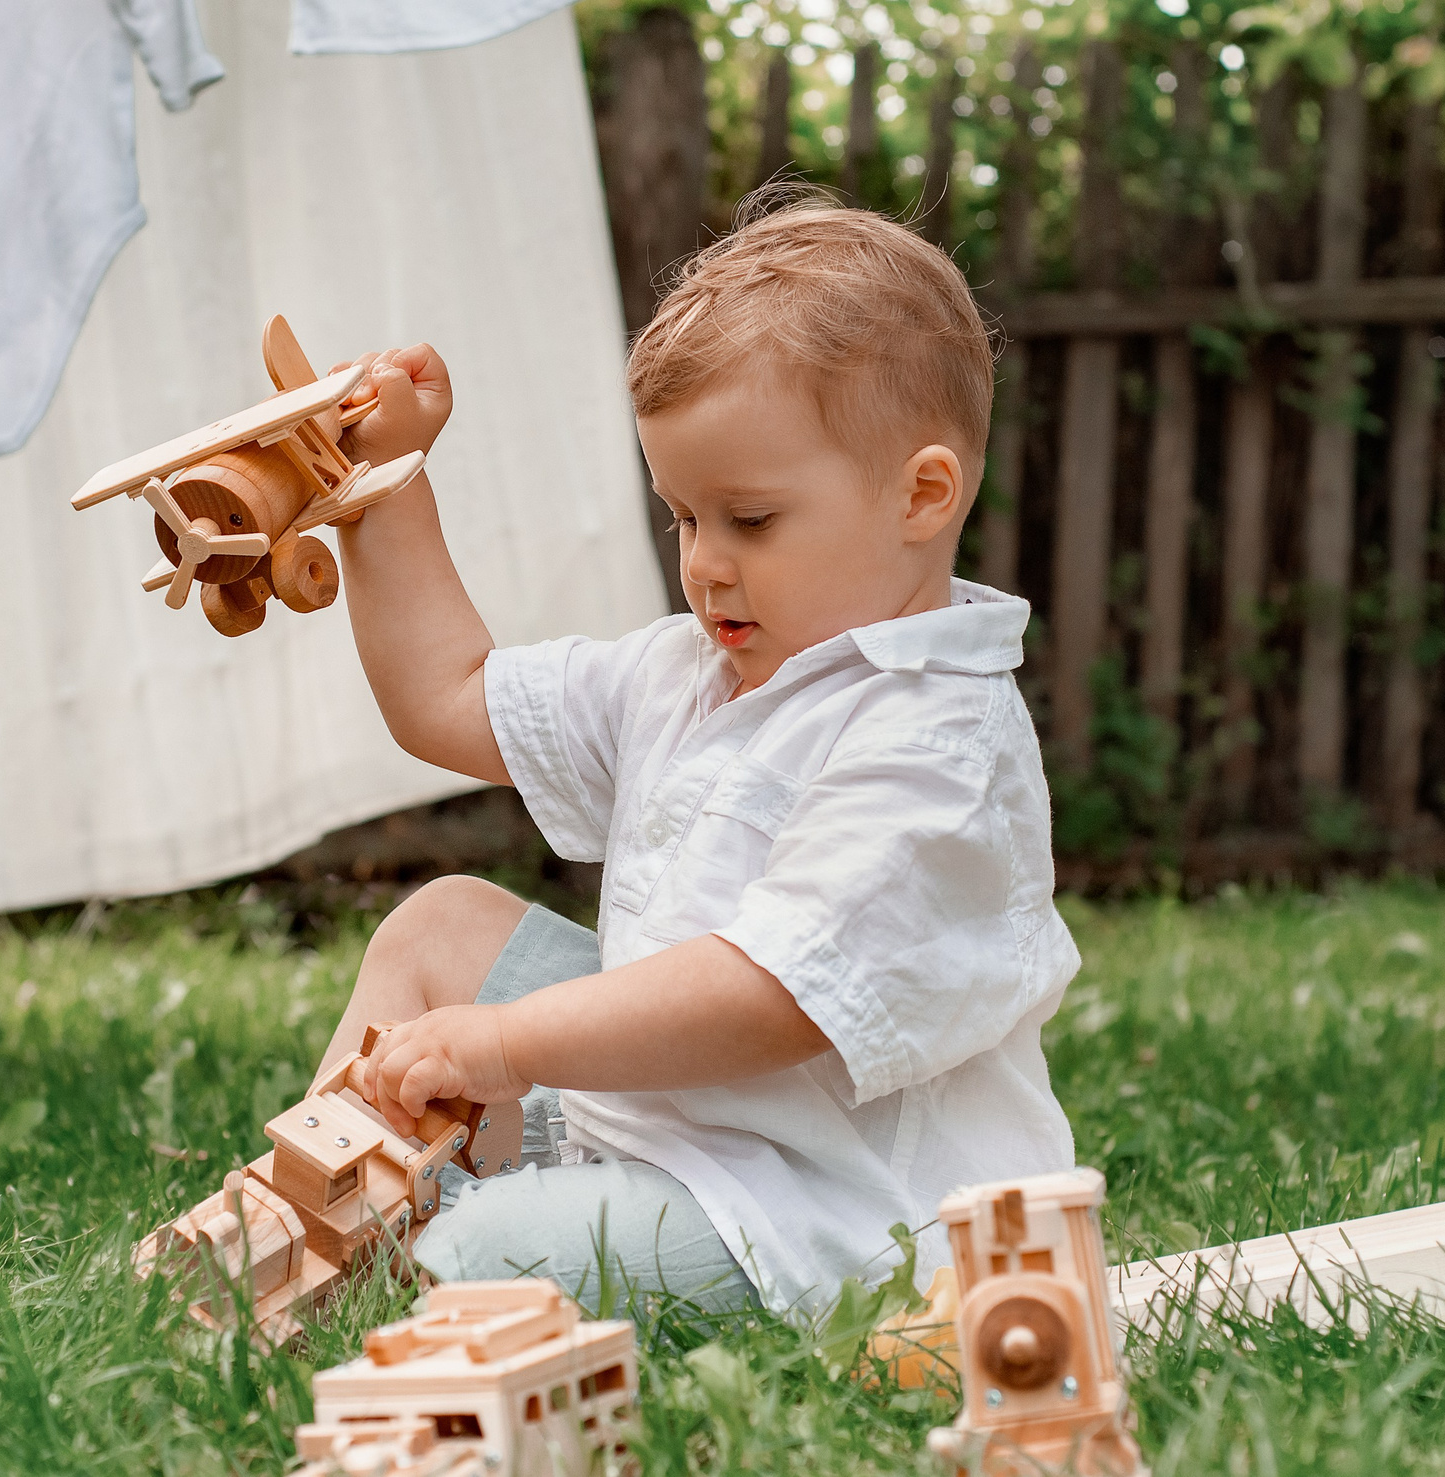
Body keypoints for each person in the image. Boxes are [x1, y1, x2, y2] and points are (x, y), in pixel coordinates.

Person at [321, 194, 1080, 1314]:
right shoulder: (687, 670)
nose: (705, 564)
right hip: (658, 1132)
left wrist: (505, 1043)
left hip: (817, 1209)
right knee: (439, 929)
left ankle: (413, 1247)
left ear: (923, 495)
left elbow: (766, 994)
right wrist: (381, 487)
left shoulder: (933, 740)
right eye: (683, 516)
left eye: (750, 520)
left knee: (482, 1257)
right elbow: (449, 698)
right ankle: (319, 1200)